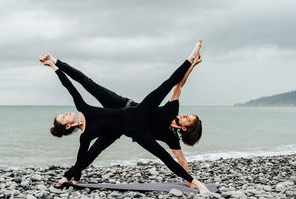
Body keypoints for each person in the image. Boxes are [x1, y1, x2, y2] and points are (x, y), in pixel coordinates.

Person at [41, 41, 209, 193]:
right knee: (88, 84)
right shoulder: (171, 109)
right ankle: (70, 176)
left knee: (95, 152)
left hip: (133, 126)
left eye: (188, 118)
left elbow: (180, 159)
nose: (185, 115)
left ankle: (71, 176)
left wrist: (189, 181)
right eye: (188, 115)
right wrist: (55, 64)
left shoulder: (171, 138)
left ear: (185, 128)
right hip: (124, 106)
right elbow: (177, 84)